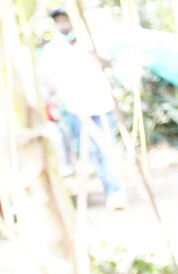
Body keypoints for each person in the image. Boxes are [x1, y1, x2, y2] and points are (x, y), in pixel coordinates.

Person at [44, 8, 124, 210]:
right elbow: (51, 80)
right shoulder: (53, 50)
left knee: (107, 149)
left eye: (65, 20)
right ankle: (109, 188)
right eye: (59, 21)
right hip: (77, 109)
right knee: (92, 153)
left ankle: (115, 191)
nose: (63, 25)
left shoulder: (91, 40)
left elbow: (109, 63)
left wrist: (93, 53)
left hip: (102, 105)